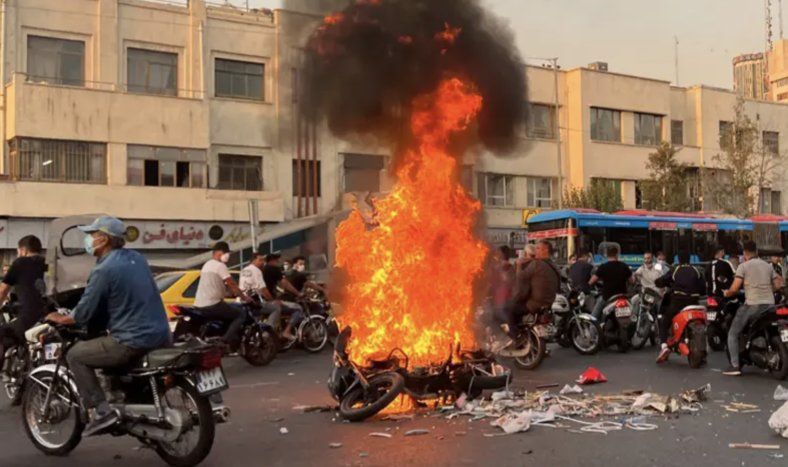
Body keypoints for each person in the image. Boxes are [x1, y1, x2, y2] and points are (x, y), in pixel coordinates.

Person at [45, 216, 171, 436]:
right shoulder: (137, 258)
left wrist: (61, 318)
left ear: (103, 240)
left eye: (92, 235)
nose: (89, 240)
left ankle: (102, 411)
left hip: (132, 339)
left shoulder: (104, 269)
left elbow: (83, 313)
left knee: (75, 355)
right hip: (161, 333)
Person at [722, 241, 784, 376]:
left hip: (753, 305)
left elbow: (734, 288)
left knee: (733, 333)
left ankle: (734, 365)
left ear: (745, 253)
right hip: (770, 304)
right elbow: (779, 284)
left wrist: (727, 293)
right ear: (756, 251)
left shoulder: (743, 266)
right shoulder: (767, 266)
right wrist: (769, 289)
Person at [194, 242, 249, 350]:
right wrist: (244, 297)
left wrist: (227, 292)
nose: (228, 255)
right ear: (218, 253)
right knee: (240, 314)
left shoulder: (207, 264)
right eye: (226, 253)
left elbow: (214, 284)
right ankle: (225, 340)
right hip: (212, 304)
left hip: (199, 304)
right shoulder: (220, 266)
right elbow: (231, 283)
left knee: (229, 308)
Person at [654, 250, 705, 363]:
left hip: (679, 301)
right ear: (689, 259)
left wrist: (658, 282)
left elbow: (662, 281)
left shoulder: (675, 269)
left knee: (664, 320)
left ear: (679, 260)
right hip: (694, 301)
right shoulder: (696, 270)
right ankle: (703, 354)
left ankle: (664, 347)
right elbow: (703, 289)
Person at [503, 240, 561, 339]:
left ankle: (515, 336)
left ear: (545, 250)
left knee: (507, 308)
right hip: (549, 303)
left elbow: (521, 277)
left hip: (535, 304)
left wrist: (519, 264)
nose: (536, 251)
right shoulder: (553, 265)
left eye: (538, 248)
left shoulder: (537, 264)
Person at [0, 236, 47, 354]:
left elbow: (2, 291)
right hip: (46, 314)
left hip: (28, 316)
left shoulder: (20, 262)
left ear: (23, 250)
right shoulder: (45, 263)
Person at [262, 254, 305, 341]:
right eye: (277, 260)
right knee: (298, 309)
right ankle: (287, 331)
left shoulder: (262, 269)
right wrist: (298, 293)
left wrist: (278, 293)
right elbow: (284, 283)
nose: (278, 262)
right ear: (272, 260)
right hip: (270, 301)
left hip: (260, 300)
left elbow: (272, 285)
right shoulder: (274, 269)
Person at [589, 245, 634, 320]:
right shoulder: (624, 266)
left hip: (607, 297)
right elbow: (632, 281)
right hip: (622, 296)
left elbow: (591, 281)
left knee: (593, 318)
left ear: (607, 255)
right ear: (617, 254)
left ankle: (592, 330)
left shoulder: (603, 267)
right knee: (633, 314)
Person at [239, 252, 282, 328]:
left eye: (263, 260)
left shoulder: (244, 270)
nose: (262, 262)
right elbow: (263, 289)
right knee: (276, 309)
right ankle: (268, 331)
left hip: (243, 301)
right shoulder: (256, 271)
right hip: (253, 302)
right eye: (260, 260)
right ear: (253, 260)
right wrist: (272, 300)